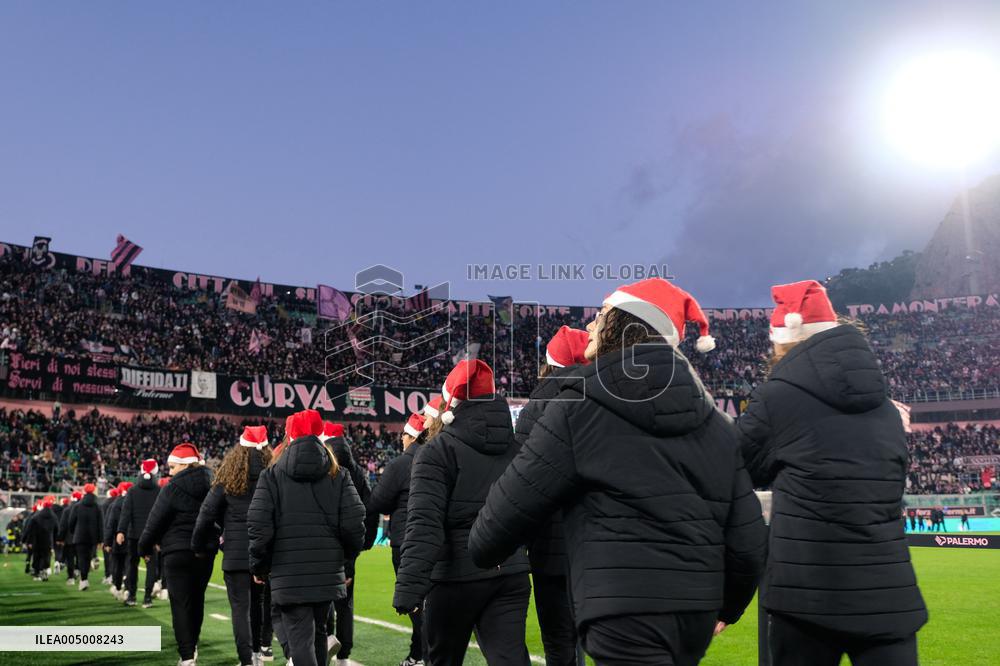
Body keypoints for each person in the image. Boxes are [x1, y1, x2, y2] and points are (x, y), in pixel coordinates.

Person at [469, 278, 768, 665]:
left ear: (625, 324)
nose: (591, 325)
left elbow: (505, 512)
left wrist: (483, 545)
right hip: (696, 609)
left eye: (600, 315)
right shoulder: (716, 422)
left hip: (622, 607)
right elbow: (747, 534)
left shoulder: (577, 405)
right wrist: (730, 606)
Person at [738, 280, 927, 666]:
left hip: (807, 593)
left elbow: (739, 466)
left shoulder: (779, 397)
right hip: (886, 593)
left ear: (786, 340)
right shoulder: (887, 409)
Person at [394, 359, 533, 666]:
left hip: (456, 576)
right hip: (509, 573)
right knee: (510, 660)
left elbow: (424, 524)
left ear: (451, 403)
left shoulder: (437, 451)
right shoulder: (517, 449)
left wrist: (408, 588)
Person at [248, 410, 365, 666]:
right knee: (319, 634)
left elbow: (259, 526)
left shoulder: (272, 475)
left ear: (289, 435)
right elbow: (355, 523)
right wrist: (347, 562)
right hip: (326, 571)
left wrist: (259, 565)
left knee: (301, 641)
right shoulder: (339, 474)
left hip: (287, 573)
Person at [514, 325, 590, 666]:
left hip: (549, 546)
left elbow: (522, 480)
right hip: (595, 543)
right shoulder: (603, 401)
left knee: (558, 643)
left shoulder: (535, 408)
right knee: (600, 639)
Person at [193, 426, 272, 666]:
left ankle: (246, 660)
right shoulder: (273, 474)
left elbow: (206, 514)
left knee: (240, 610)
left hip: (236, 555)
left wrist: (199, 544)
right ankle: (258, 655)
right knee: (259, 605)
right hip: (266, 552)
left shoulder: (228, 476)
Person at [139, 443, 216, 666]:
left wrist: (143, 548)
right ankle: (193, 644)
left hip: (176, 552)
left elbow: (154, 523)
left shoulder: (170, 489)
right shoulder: (213, 484)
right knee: (196, 601)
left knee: (180, 604)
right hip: (204, 553)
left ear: (183, 465)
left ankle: (187, 655)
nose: (170, 472)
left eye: (173, 467)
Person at [365, 412, 427, 666]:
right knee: (427, 602)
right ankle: (417, 653)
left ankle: (423, 654)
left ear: (410, 436)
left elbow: (378, 501)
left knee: (415, 604)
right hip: (436, 542)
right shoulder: (442, 458)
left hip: (406, 542)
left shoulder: (401, 465)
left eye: (403, 435)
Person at [320, 420, 371, 666]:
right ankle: (344, 655)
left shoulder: (324, 468)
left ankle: (327, 639)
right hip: (350, 548)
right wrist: (364, 543)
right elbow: (369, 509)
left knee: (321, 600)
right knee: (345, 604)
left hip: (324, 547)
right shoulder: (358, 472)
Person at [118, 459, 162, 608]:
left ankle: (131, 596)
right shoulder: (159, 491)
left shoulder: (132, 490)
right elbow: (162, 516)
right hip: (151, 536)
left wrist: (121, 531)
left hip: (134, 536)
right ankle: (147, 598)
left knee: (132, 565)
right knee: (151, 566)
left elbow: (126, 513)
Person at [67, 483, 103, 591]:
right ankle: (85, 578)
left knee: (81, 558)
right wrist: (101, 539)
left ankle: (83, 580)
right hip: (93, 538)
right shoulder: (97, 506)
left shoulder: (77, 506)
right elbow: (101, 524)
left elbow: (71, 522)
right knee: (87, 558)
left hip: (79, 536)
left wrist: (74, 532)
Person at [25, 498, 57, 581]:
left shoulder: (36, 516)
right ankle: (45, 571)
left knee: (37, 557)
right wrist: (56, 540)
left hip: (37, 540)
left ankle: (37, 574)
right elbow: (57, 529)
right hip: (48, 540)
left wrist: (28, 540)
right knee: (46, 556)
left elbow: (30, 529)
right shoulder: (53, 516)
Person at [57, 490, 83, 585]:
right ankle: (79, 572)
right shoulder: (84, 509)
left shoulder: (67, 510)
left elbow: (63, 526)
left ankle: (71, 577)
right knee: (81, 557)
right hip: (82, 538)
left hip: (70, 538)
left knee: (70, 558)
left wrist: (60, 538)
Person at [102, 487, 120, 584]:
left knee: (108, 556)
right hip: (121, 534)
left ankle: (109, 575)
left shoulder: (105, 504)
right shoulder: (122, 502)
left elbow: (105, 522)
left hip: (109, 533)